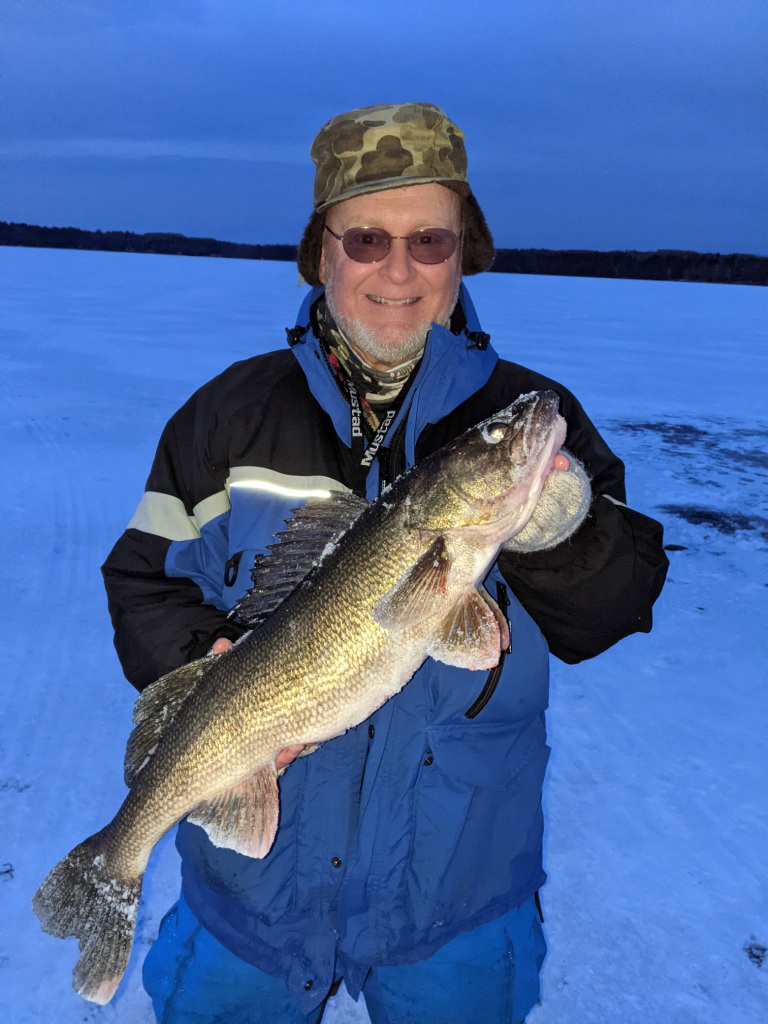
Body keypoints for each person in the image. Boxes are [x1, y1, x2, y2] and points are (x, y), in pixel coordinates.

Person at [102, 102, 668, 1024]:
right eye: (366, 237)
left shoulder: (531, 408)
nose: (397, 269)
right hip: (253, 901)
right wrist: (196, 661)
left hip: (457, 892)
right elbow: (143, 580)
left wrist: (562, 528)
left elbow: (611, 611)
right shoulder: (227, 415)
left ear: (463, 253)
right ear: (320, 252)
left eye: (430, 240)